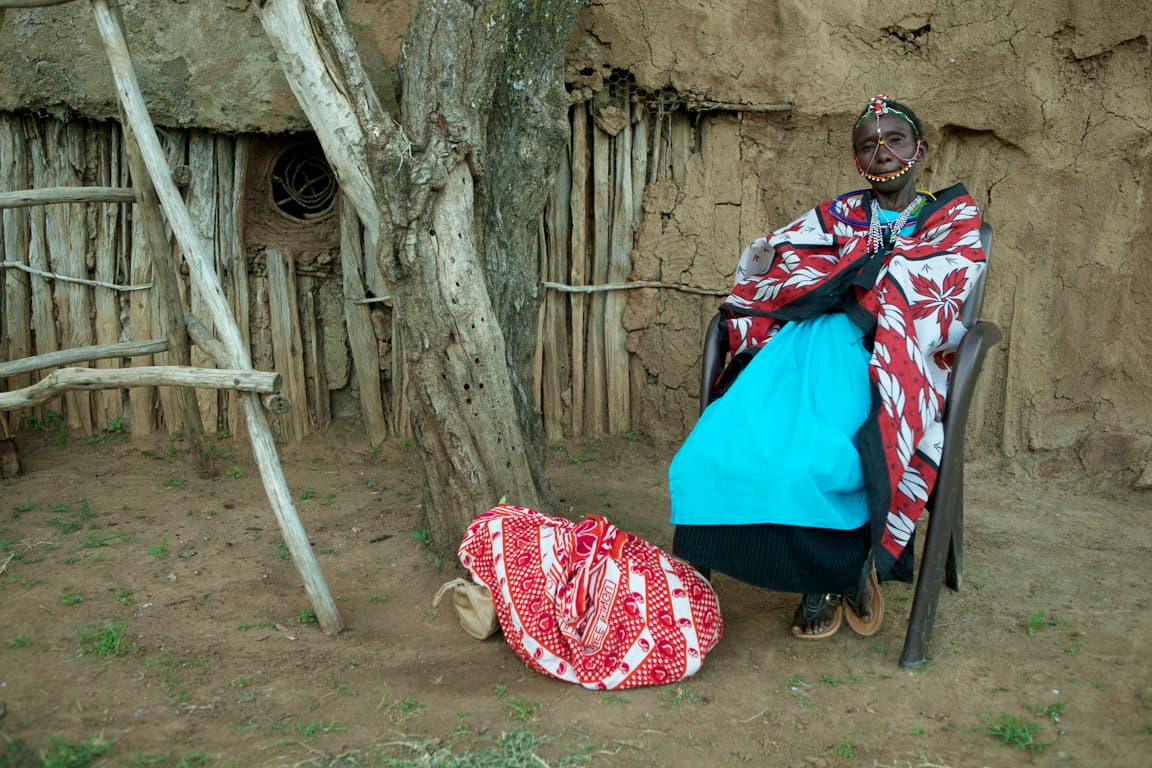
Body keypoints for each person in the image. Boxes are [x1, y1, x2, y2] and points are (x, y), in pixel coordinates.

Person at [668, 95, 986, 639]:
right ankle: (807, 570)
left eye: (895, 140)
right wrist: (831, 279)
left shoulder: (951, 217)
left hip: (891, 358)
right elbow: (776, 259)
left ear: (921, 149)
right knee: (714, 447)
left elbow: (944, 285)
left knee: (820, 456)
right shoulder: (836, 215)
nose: (881, 151)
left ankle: (838, 572)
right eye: (868, 144)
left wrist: (871, 286)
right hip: (806, 345)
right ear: (857, 158)